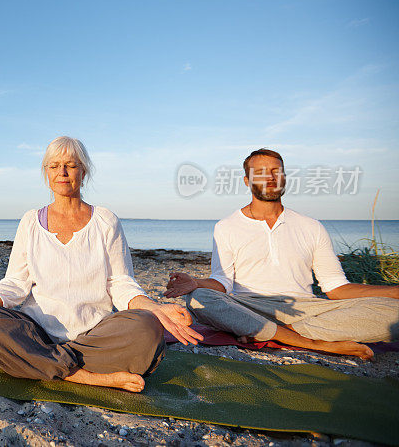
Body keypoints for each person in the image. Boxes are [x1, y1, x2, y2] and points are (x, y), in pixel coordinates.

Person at [0, 136, 201, 393]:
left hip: (95, 335)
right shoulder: (30, 221)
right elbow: (15, 283)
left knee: (147, 328)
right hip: (37, 331)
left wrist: (155, 308)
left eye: (71, 165)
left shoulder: (106, 221)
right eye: (54, 166)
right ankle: (84, 377)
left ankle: (41, 364)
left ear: (83, 172)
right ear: (46, 173)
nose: (62, 172)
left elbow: (121, 283)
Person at [165, 148, 399, 359]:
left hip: (306, 310)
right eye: (261, 172)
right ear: (247, 180)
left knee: (393, 312)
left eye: (276, 171)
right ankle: (314, 343)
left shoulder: (311, 226)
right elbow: (223, 282)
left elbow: (336, 288)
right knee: (198, 298)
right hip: (248, 306)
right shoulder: (226, 227)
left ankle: (270, 334)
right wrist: (195, 282)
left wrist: (394, 292)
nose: (270, 177)